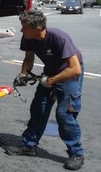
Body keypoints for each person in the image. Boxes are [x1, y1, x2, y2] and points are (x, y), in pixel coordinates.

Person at [6, 9, 84, 170]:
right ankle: (29, 146)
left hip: (68, 74)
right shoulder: (28, 37)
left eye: (24, 26)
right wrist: (23, 74)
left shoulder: (58, 37)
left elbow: (75, 69)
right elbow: (29, 58)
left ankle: (76, 153)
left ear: (38, 28)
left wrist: (51, 80)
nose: (21, 30)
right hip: (50, 72)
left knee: (65, 115)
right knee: (39, 109)